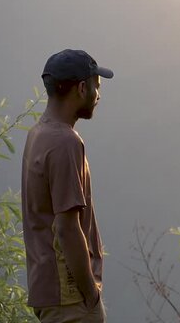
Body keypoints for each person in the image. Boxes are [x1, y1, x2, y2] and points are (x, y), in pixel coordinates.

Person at [22, 49, 113, 322]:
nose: (98, 95)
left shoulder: (37, 134)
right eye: (97, 85)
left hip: (48, 288)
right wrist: (90, 295)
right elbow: (67, 227)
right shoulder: (65, 142)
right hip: (70, 298)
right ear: (82, 88)